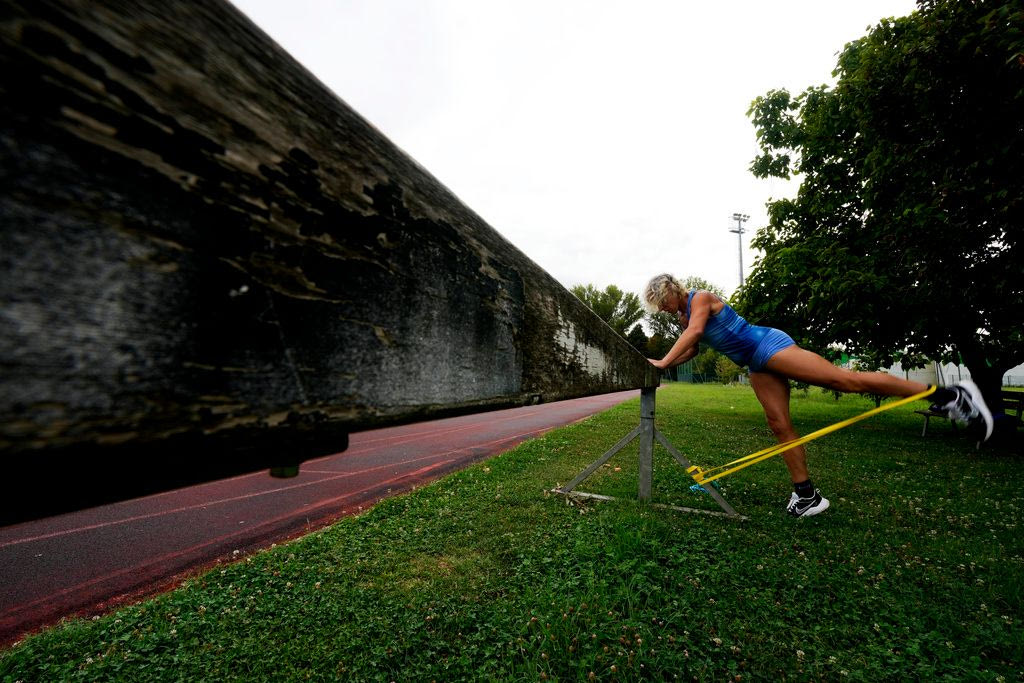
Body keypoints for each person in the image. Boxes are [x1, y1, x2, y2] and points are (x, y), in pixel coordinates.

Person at [642, 273, 993, 518]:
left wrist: (661, 361)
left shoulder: (699, 298)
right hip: (756, 363)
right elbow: (693, 347)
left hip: (767, 344)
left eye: (663, 300)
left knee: (845, 380)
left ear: (672, 288)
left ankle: (946, 395)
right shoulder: (684, 317)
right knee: (779, 425)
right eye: (659, 305)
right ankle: (807, 496)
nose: (664, 307)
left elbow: (698, 331)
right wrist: (665, 363)